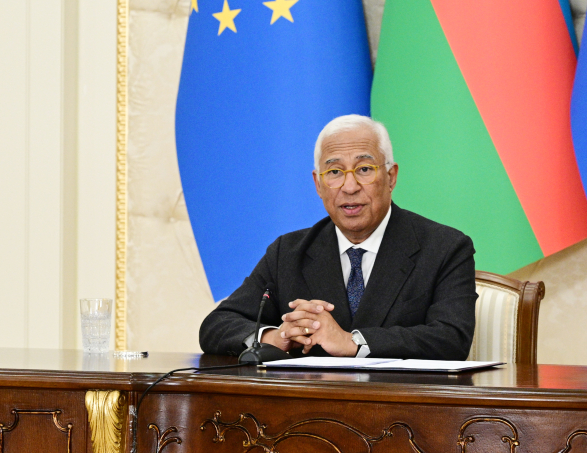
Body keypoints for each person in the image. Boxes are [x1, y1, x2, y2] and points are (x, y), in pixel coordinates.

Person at [199, 114, 477, 359]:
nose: (350, 186)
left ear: (391, 177)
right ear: (318, 184)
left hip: (401, 399)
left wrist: (351, 342)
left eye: (364, 169)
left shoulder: (445, 248)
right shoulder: (288, 252)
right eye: (334, 172)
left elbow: (451, 338)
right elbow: (217, 325)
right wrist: (276, 336)